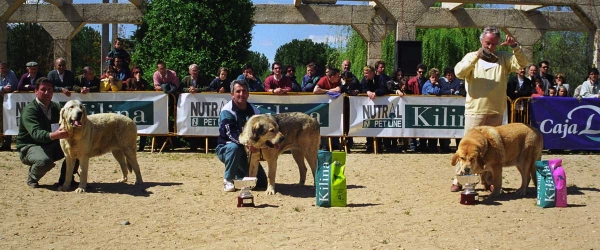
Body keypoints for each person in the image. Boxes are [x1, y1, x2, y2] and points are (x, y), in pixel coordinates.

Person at [453, 26, 528, 192]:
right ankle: (459, 180)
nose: (490, 47)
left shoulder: (504, 58)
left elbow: (522, 63)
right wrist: (476, 57)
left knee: (490, 151)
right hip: (475, 110)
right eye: (487, 43)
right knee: (467, 148)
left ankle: (487, 180)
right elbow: (459, 72)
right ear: (481, 41)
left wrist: (514, 46)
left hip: (496, 110)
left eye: (494, 43)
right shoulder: (471, 56)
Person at [16, 77, 78, 188]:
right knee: (44, 161)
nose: (47, 93)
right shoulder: (30, 111)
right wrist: (54, 135)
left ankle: (66, 180)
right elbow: (36, 133)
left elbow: (68, 120)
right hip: (30, 146)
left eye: (50, 90)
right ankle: (32, 177)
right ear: (36, 91)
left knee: (77, 150)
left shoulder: (56, 107)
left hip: (51, 143)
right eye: (43, 90)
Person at [216, 79, 267, 192]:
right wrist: (249, 144)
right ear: (232, 94)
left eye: (244, 91)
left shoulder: (255, 111)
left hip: (247, 152)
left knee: (261, 183)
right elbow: (231, 134)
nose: (241, 94)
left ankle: (239, 173)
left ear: (248, 93)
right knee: (235, 147)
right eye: (238, 91)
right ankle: (228, 180)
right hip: (226, 148)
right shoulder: (227, 111)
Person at [361, 65, 386, 153]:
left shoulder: (380, 78)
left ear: (372, 73)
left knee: (378, 125)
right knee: (369, 125)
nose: (365, 75)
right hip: (369, 107)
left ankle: (379, 145)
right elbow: (362, 88)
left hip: (380, 106)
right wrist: (367, 91)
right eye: (364, 73)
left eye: (367, 73)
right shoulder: (364, 80)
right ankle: (369, 145)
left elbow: (383, 89)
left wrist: (376, 93)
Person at [124, 66, 150, 151]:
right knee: (129, 127)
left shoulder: (144, 82)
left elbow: (145, 91)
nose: (138, 74)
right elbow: (126, 91)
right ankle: (129, 146)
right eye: (136, 72)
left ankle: (141, 146)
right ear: (133, 73)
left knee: (143, 125)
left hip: (142, 107)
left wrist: (138, 81)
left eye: (139, 72)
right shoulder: (129, 80)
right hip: (130, 107)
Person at [0, 61, 18, 151]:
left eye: (4, 68)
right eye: (1, 68)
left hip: (10, 101)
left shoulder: (11, 74)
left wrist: (2, 89)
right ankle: (2, 144)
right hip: (1, 101)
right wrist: (2, 88)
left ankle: (7, 144)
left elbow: (11, 87)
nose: (3, 70)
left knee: (9, 121)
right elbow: (5, 88)